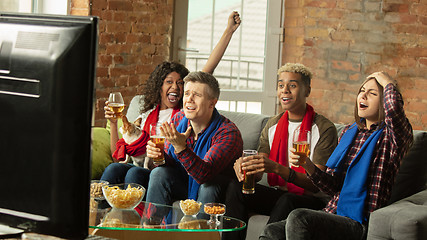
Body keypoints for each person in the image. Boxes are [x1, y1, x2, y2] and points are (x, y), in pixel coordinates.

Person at [259, 72, 413, 240]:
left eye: (373, 93)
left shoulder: (391, 138)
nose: (364, 95)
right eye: (362, 90)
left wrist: (387, 81)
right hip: (332, 212)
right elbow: (333, 187)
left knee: (299, 217)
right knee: (273, 230)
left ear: (384, 101)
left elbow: (394, 111)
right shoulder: (349, 133)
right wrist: (308, 165)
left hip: (359, 222)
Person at [99, 11, 241, 190]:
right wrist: (113, 123)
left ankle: (135, 213)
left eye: (180, 84)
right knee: (114, 168)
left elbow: (206, 73)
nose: (175, 87)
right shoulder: (146, 116)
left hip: (165, 170)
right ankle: (97, 210)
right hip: (146, 165)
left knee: (134, 173)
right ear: (159, 86)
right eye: (169, 82)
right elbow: (118, 154)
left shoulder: (183, 116)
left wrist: (228, 31)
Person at [222, 63, 338, 240]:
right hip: (280, 194)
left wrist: (277, 168)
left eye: (292, 85)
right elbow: (260, 172)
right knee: (235, 187)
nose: (285, 91)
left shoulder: (324, 128)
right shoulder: (272, 125)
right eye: (281, 85)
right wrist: (246, 168)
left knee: (288, 199)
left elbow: (317, 184)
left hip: (312, 201)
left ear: (307, 90)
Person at [145, 71, 243, 206]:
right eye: (186, 93)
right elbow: (170, 164)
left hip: (218, 193)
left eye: (196, 95)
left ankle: (200, 226)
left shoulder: (227, 133)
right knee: (159, 173)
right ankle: (152, 225)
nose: (189, 99)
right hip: (185, 182)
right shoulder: (179, 119)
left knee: (209, 186)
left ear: (212, 103)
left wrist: (181, 148)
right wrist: (158, 156)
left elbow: (204, 174)